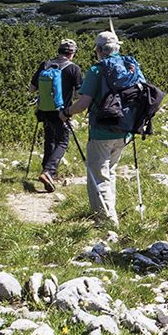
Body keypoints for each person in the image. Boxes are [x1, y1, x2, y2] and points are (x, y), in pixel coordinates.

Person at [58, 31, 138, 228]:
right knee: (110, 171)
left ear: (99, 50)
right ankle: (111, 213)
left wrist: (67, 112)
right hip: (125, 129)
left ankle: (106, 222)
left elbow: (83, 103)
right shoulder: (130, 66)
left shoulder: (97, 70)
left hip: (102, 130)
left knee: (98, 175)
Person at [28, 39, 82, 192]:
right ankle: (49, 172)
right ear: (72, 53)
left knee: (49, 139)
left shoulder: (45, 65)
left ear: (58, 51)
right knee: (62, 141)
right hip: (61, 112)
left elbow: (32, 89)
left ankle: (47, 171)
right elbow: (79, 94)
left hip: (43, 111)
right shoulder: (74, 69)